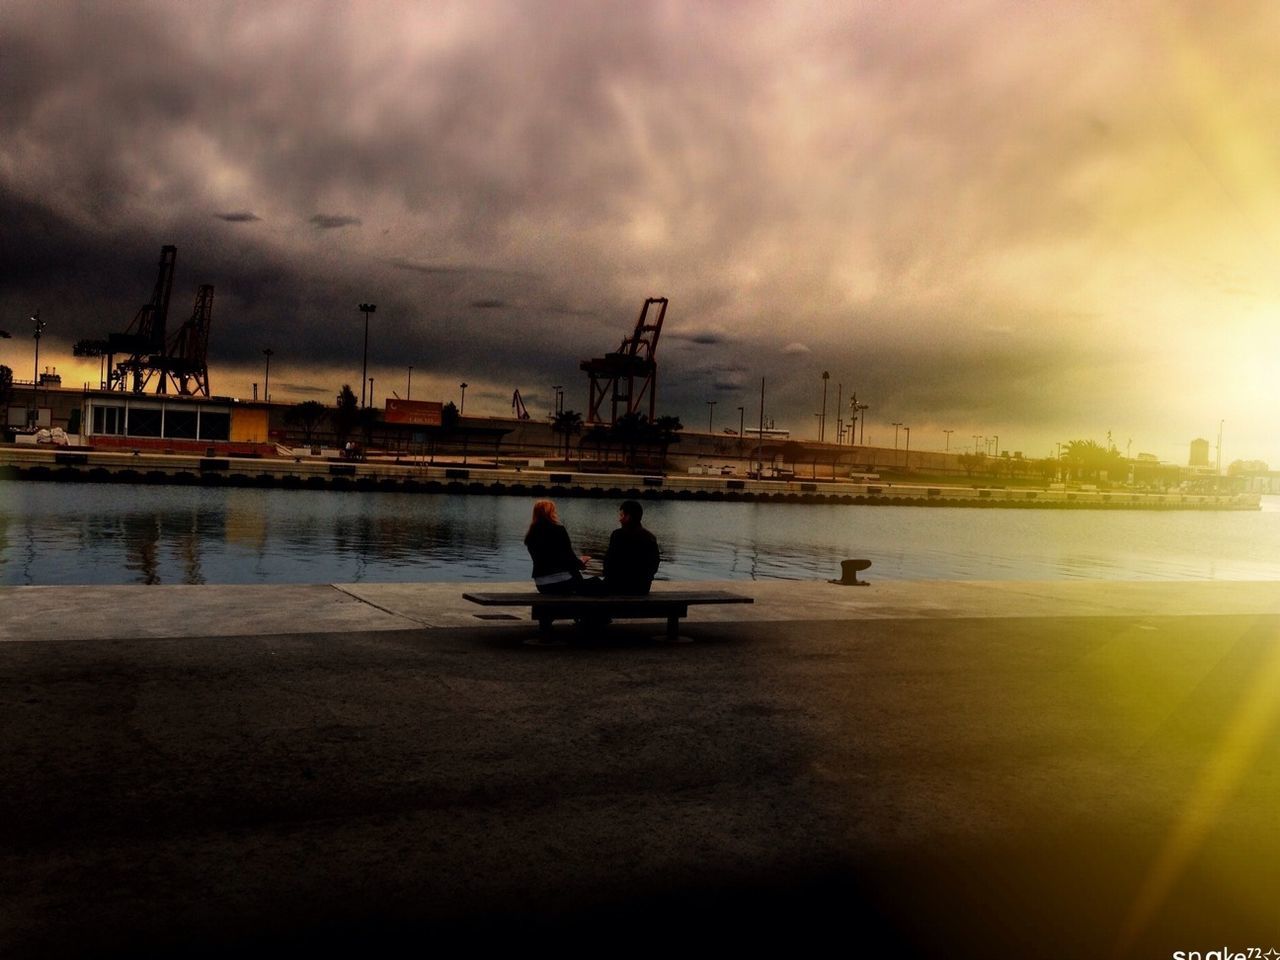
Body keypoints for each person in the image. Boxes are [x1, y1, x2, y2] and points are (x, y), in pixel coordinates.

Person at [523, 500, 591, 595]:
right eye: (554, 511)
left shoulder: (531, 534)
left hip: (541, 585)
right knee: (594, 584)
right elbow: (568, 556)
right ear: (551, 513)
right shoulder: (558, 530)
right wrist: (581, 562)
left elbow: (545, 559)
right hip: (562, 583)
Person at [602, 499, 660, 595]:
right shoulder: (650, 537)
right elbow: (654, 565)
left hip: (618, 587)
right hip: (642, 588)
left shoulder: (618, 535)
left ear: (628, 517)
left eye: (621, 515)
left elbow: (609, 563)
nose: (619, 519)